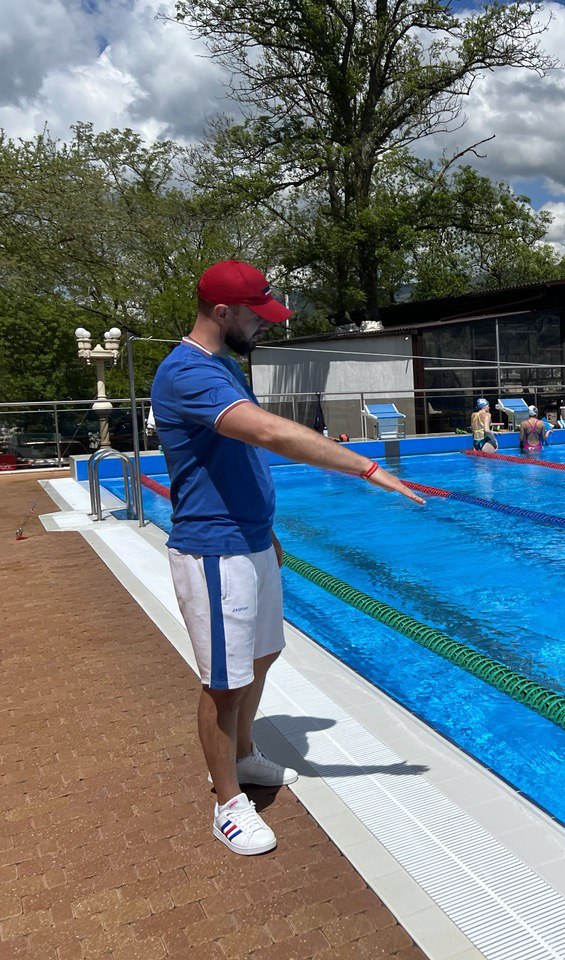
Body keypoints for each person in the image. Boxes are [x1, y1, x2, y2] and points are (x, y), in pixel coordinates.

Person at [150, 259, 425, 856]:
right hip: (215, 551)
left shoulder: (222, 365)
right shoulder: (185, 373)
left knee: (266, 652)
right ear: (223, 313)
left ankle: (244, 755)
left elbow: (239, 458)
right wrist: (365, 465)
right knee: (224, 681)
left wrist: (267, 529)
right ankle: (226, 803)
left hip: (250, 540)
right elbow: (269, 434)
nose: (267, 326)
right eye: (258, 315)